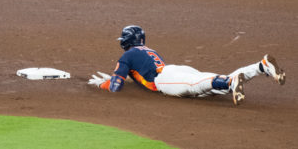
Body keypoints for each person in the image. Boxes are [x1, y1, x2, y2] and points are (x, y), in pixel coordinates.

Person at [88, 25, 286, 105]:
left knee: (197, 86)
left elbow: (116, 87)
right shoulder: (148, 51)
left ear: (127, 40)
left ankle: (232, 81)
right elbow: (137, 75)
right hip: (175, 70)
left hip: (166, 79)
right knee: (213, 86)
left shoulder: (128, 56)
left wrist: (102, 85)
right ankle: (261, 66)